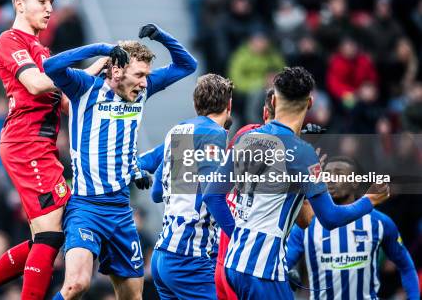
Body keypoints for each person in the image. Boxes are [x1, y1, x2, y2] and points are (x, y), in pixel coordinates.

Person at [0, 0, 105, 300]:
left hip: (41, 146)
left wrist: (102, 74)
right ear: (20, 4)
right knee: (50, 236)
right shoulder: (10, 40)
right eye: (42, 1)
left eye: (51, 1)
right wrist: (90, 62)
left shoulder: (42, 49)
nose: (50, 8)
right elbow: (36, 84)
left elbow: (64, 100)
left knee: (46, 237)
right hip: (26, 144)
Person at [44, 23, 197, 299]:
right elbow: (51, 66)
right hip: (86, 207)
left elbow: (188, 65)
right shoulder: (84, 87)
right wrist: (102, 49)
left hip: (121, 211)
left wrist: (162, 36)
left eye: (146, 75)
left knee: (132, 297)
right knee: (75, 285)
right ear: (116, 70)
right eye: (139, 74)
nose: (143, 81)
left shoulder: (144, 90)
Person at [209, 66, 390, 299]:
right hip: (262, 271)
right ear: (310, 103)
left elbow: (212, 195)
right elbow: (331, 218)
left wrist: (239, 237)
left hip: (233, 264)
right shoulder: (302, 153)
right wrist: (370, 200)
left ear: (273, 101)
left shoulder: (246, 137)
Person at [141, 74, 233, 299]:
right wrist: (240, 238)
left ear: (195, 104)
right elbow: (213, 196)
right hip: (190, 258)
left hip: (163, 256)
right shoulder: (214, 133)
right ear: (229, 105)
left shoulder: (179, 131)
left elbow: (156, 194)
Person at [286, 157, 419, 300]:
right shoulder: (306, 225)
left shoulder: (379, 222)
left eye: (338, 174)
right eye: (326, 174)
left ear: (354, 182)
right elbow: (282, 264)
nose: (330, 179)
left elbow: (406, 266)